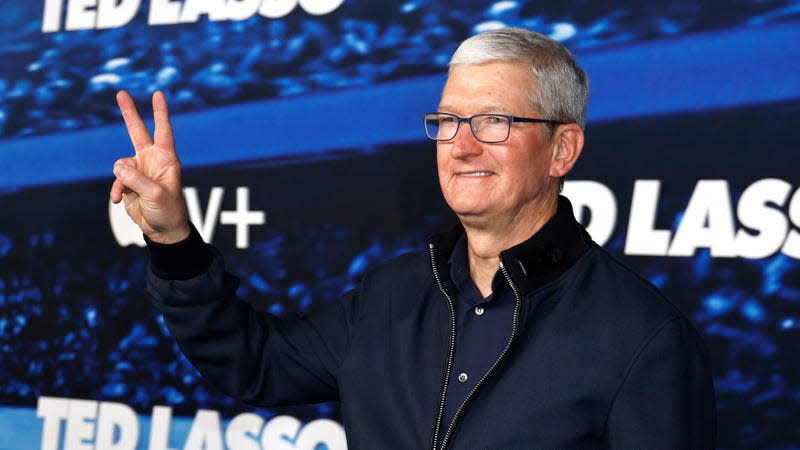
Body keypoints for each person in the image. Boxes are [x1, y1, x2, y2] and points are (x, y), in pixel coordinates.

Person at [110, 28, 716, 449]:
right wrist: (174, 242)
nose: (463, 145)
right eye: (449, 121)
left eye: (494, 122)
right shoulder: (390, 295)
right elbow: (252, 362)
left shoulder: (645, 340)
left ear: (563, 149)